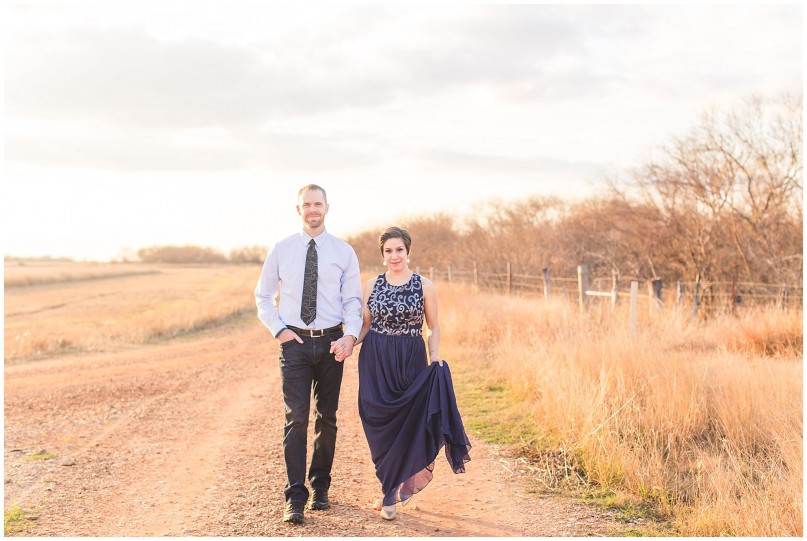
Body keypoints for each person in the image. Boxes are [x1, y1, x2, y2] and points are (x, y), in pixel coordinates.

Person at [255, 184, 362, 525]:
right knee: (296, 419)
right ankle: (295, 497)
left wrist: (350, 336)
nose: (313, 209)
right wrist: (280, 331)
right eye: (307, 204)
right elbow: (263, 296)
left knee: (326, 418)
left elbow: (353, 302)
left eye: (318, 204)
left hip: (332, 342)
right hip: (295, 344)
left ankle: (320, 488)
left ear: (327, 208)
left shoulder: (344, 252)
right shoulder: (281, 250)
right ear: (297, 209)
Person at [347, 226, 471, 520]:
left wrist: (435, 354)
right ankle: (389, 481)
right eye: (388, 251)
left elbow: (434, 325)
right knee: (377, 421)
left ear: (408, 252)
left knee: (408, 421)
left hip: (410, 357)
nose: (394, 256)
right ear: (382, 255)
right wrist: (349, 342)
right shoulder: (371, 286)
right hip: (376, 359)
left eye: (399, 250)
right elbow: (365, 325)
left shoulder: (424, 285)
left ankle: (390, 491)